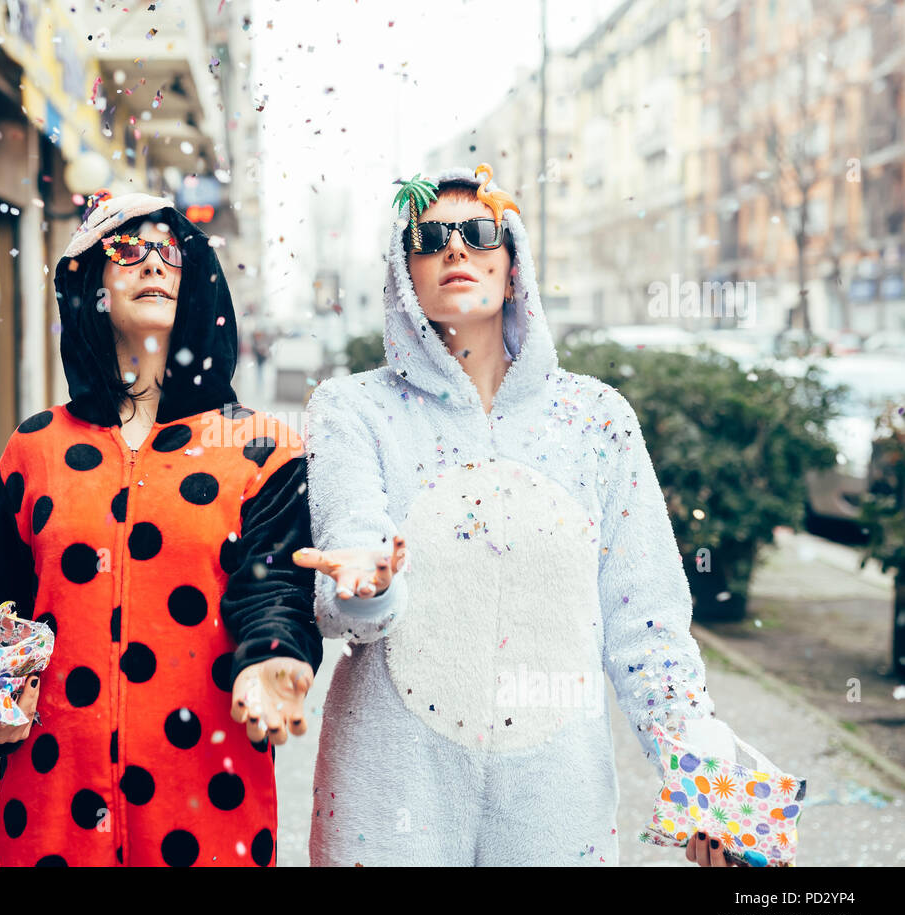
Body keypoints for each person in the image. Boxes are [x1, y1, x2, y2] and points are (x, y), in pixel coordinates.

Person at [292, 165, 746, 867]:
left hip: (556, 799)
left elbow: (647, 626)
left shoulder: (596, 420)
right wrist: (366, 583)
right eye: (428, 236)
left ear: (514, 263)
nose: (455, 250)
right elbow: (350, 591)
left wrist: (711, 790)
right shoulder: (353, 411)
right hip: (390, 795)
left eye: (479, 232)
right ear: (400, 269)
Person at [0, 191, 322, 866]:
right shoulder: (33, 448)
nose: (152, 262)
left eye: (169, 250)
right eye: (127, 249)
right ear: (92, 284)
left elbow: (276, 592)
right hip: (49, 819)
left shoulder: (265, 449)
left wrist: (273, 655)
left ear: (199, 277)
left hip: (208, 819)